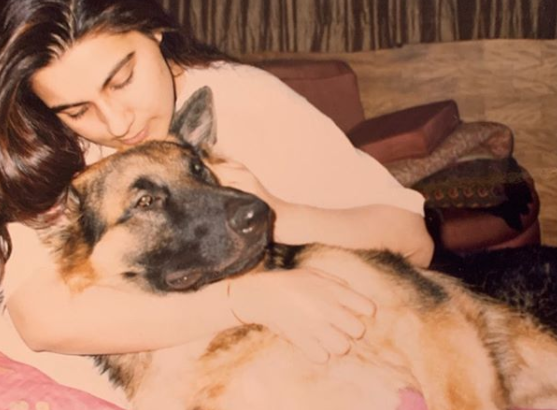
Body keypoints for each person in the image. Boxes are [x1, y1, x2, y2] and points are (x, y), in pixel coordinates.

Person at [0, 0, 433, 406]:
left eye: (123, 80)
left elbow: (412, 240)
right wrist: (244, 300)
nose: (116, 123)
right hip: (59, 388)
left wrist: (277, 213)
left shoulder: (244, 97)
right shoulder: (42, 148)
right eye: (77, 111)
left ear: (154, 30)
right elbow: (41, 320)